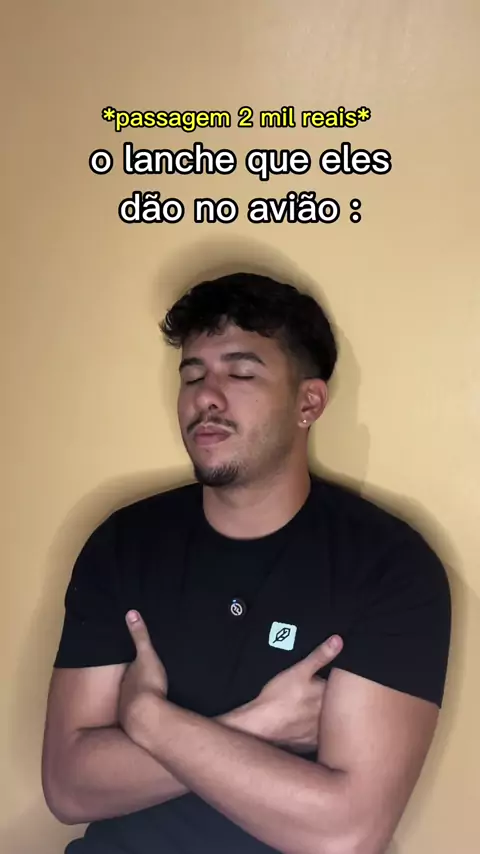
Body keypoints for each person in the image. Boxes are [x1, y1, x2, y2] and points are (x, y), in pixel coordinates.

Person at [42, 272, 451, 854]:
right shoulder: (124, 544)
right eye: (192, 375)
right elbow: (68, 787)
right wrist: (257, 723)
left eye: (240, 373)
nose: (205, 397)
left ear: (308, 402)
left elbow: (345, 833)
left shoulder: (390, 567)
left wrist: (149, 720)